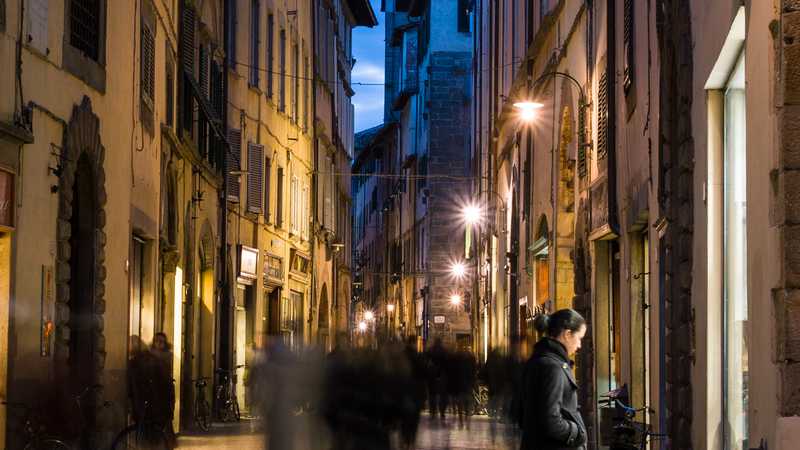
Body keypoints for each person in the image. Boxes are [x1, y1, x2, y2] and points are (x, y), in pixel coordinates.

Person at [520, 309, 588, 450]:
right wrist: (576, 432)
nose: (580, 345)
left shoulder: (539, 360)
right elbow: (550, 421)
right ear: (567, 334)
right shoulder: (553, 367)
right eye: (579, 338)